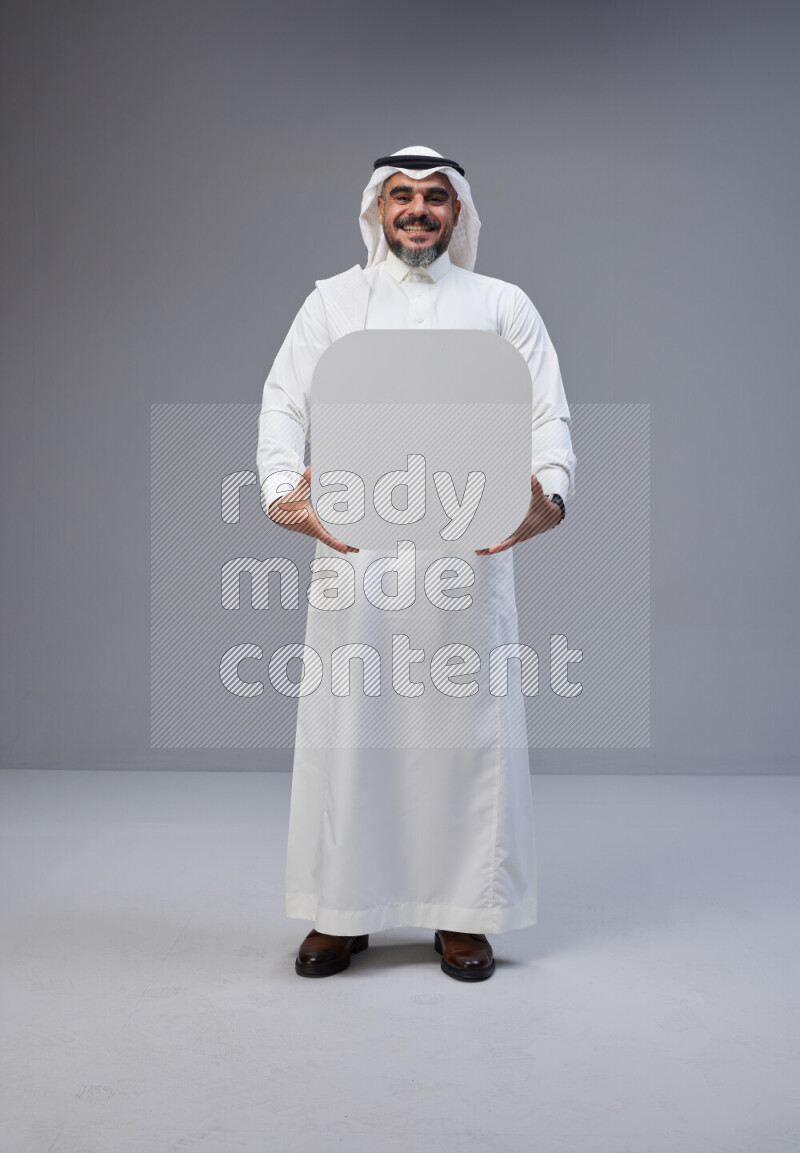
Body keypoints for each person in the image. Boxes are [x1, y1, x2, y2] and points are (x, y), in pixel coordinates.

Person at [256, 146, 576, 981]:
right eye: (401, 195)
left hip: (466, 557)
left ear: (458, 211)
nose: (418, 210)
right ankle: (342, 911)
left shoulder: (502, 305)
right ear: (377, 208)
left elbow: (547, 413)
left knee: (464, 737)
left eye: (435, 197)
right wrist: (287, 495)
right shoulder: (333, 302)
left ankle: (463, 914)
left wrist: (548, 493)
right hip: (358, 557)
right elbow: (283, 402)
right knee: (351, 734)